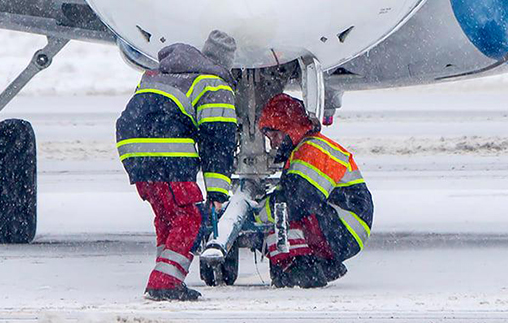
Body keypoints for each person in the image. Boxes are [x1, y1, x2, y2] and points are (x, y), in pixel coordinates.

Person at [115, 31, 238, 301]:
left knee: (167, 215)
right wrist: (218, 193)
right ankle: (166, 281)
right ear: (226, 63)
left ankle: (165, 272)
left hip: (132, 151)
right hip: (167, 151)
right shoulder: (213, 85)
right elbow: (218, 140)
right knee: (189, 216)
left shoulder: (158, 74)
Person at [257, 93, 373, 288]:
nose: (274, 144)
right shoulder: (304, 149)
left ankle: (301, 269)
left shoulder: (311, 151)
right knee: (279, 215)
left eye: (276, 135)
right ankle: (308, 265)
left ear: (290, 129)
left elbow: (296, 201)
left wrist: (257, 212)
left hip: (346, 225)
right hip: (344, 222)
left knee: (282, 216)